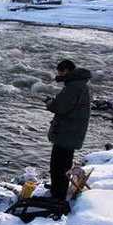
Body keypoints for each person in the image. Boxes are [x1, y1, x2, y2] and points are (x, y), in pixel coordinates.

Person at [45, 60, 91, 200]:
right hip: (72, 131)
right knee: (64, 163)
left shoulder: (73, 86)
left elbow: (60, 107)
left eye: (59, 71)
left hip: (66, 132)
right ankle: (59, 188)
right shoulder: (80, 84)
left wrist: (49, 103)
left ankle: (57, 194)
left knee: (58, 165)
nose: (58, 74)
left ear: (66, 71)